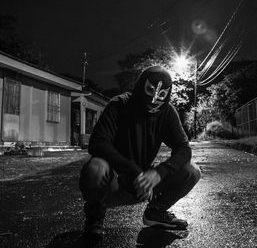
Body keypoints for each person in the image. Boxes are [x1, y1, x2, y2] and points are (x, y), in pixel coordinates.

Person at [79, 65, 201, 239]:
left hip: (145, 185)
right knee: (96, 167)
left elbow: (184, 149)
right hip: (115, 182)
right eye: (150, 89)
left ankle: (155, 212)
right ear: (141, 84)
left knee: (192, 171)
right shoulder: (119, 104)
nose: (153, 98)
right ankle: (94, 216)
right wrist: (134, 171)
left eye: (160, 93)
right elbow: (98, 143)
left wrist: (159, 173)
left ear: (168, 93)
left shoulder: (167, 112)